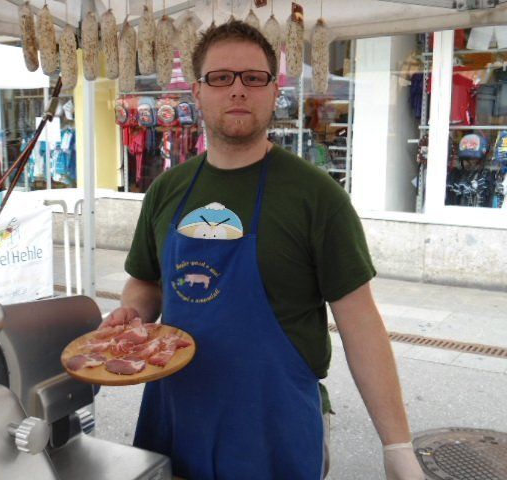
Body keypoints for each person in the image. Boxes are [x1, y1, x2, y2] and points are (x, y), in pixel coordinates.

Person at [103, 21, 424, 480]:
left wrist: (397, 445)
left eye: (254, 78)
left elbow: (360, 323)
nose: (238, 89)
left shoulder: (317, 196)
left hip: (274, 426)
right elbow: (146, 281)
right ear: (197, 92)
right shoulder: (166, 190)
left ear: (275, 92)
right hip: (176, 414)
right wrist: (133, 316)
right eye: (221, 77)